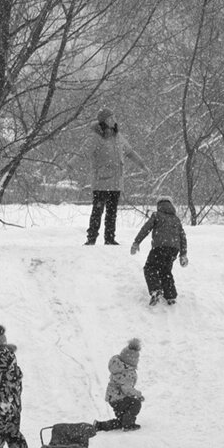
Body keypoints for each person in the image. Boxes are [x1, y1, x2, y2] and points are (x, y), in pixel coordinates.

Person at [84, 108, 147, 245]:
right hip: (101, 182)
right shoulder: (95, 137)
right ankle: (91, 239)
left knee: (112, 213)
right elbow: (81, 154)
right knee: (97, 211)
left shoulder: (118, 137)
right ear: (104, 121)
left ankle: (110, 238)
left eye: (114, 118)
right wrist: (67, 168)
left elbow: (130, 152)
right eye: (111, 118)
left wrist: (143, 166)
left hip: (116, 183)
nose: (114, 120)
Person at [130, 196, 188, 306]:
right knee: (165, 271)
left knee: (150, 267)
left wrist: (136, 242)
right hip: (173, 250)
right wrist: (183, 254)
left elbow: (145, 229)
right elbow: (183, 237)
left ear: (159, 206)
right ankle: (170, 296)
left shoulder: (157, 215)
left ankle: (156, 290)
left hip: (159, 247)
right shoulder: (176, 219)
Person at [95, 338, 144, 432]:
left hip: (113, 398)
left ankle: (100, 425)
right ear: (133, 360)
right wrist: (138, 394)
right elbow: (127, 389)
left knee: (120, 421)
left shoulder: (118, 366)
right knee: (135, 403)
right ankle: (128, 425)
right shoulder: (127, 372)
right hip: (119, 398)